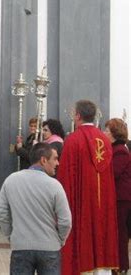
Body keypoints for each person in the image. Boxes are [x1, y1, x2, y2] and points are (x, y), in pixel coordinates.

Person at [57, 100, 119, 274]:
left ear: (78, 116)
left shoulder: (73, 140)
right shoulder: (105, 141)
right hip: (104, 205)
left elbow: (65, 178)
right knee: (102, 236)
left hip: (81, 205)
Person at [0, 143, 72, 274]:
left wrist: (12, 236)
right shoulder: (55, 185)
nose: (57, 163)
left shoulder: (11, 180)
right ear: (43, 160)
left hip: (21, 246)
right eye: (55, 158)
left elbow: (1, 213)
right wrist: (60, 240)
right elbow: (65, 221)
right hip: (49, 248)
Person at [104, 118, 131, 274]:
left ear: (114, 134)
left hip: (122, 199)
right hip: (119, 198)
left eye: (107, 130)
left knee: (120, 233)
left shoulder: (120, 150)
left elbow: (112, 173)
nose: (104, 133)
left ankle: (121, 266)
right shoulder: (115, 149)